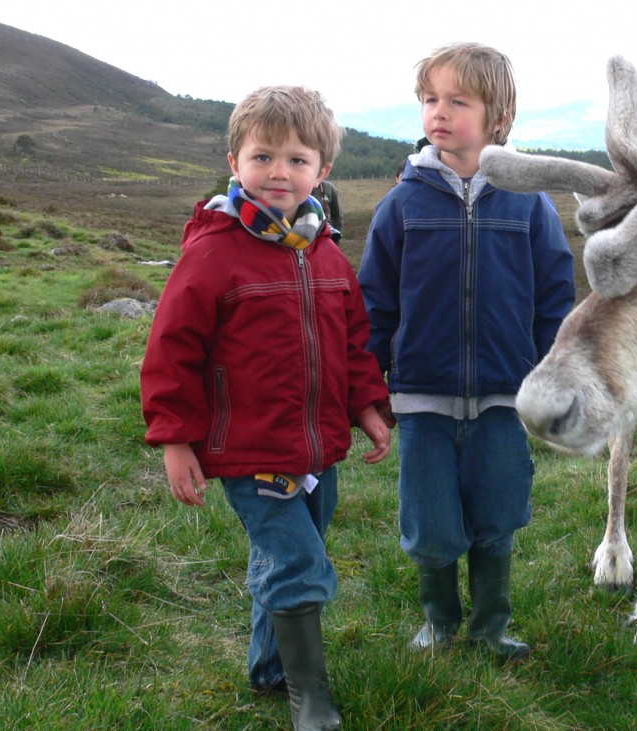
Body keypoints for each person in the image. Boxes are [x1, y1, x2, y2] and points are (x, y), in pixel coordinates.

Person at [141, 85, 392, 731]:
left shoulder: (326, 251)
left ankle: (267, 667)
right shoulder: (213, 252)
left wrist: (367, 405)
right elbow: (172, 349)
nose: (279, 171)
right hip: (249, 450)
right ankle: (310, 696)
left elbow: (352, 342)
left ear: (322, 170)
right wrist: (176, 438)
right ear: (235, 160)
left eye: (296, 159)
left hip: (317, 450)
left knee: (280, 558)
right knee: (299, 562)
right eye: (262, 156)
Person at [358, 42, 575, 661]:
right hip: (422, 397)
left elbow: (555, 300)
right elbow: (376, 305)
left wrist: (549, 379)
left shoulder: (531, 204)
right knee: (429, 524)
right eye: (430, 99)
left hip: (507, 396)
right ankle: (439, 621)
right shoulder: (401, 205)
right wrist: (370, 388)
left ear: (498, 117)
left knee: (499, 514)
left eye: (458, 100)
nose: (439, 112)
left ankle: (490, 626)